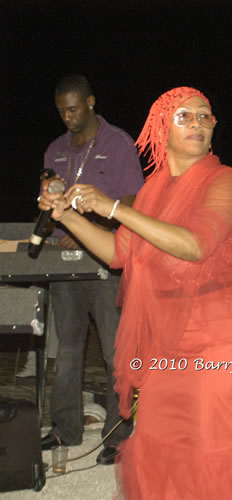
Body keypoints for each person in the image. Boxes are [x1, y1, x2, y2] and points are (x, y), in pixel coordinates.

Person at [38, 86, 232, 498]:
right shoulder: (153, 190)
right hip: (167, 340)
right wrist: (69, 217)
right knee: (162, 443)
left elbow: (196, 245)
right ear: (163, 128)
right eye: (185, 116)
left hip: (220, 338)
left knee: (220, 452)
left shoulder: (225, 181)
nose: (198, 123)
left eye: (205, 115)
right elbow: (119, 251)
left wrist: (113, 208)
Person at [39, 74, 142, 465]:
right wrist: (50, 196)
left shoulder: (118, 143)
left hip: (106, 258)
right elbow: (50, 199)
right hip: (65, 261)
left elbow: (132, 199)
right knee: (67, 348)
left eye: (74, 108)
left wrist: (93, 230)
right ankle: (64, 427)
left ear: (91, 102)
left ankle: (118, 434)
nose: (67, 116)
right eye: (62, 110)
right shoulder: (55, 149)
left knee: (116, 349)